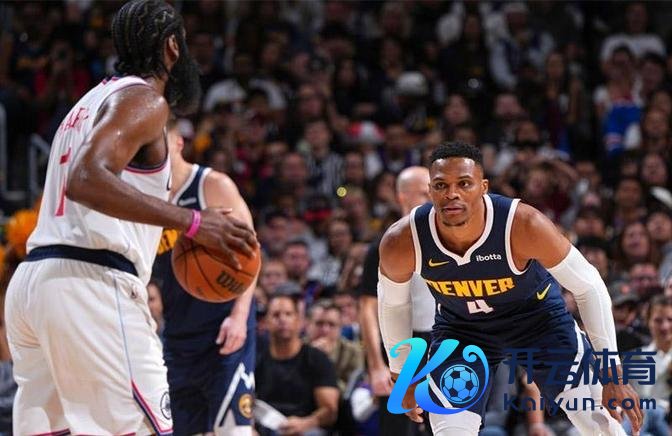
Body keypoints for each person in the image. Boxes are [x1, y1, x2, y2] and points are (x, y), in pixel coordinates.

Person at [4, 1, 257, 434]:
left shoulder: (85, 104)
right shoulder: (144, 99)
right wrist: (193, 221)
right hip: (92, 284)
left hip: (35, 284)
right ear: (172, 47)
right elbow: (85, 179)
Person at [378, 142, 643, 435]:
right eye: (441, 185)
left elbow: (589, 286)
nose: (452, 194)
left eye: (464, 183)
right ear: (430, 190)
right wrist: (401, 374)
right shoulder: (402, 240)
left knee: (601, 425)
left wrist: (612, 372)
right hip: (463, 330)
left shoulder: (523, 224)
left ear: (483, 187)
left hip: (538, 323)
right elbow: (393, 304)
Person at [152, 120, 258, 434]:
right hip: (178, 329)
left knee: (234, 430)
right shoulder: (148, 201)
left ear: (178, 143)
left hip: (222, 324)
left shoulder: (211, 185)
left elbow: (252, 254)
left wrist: (239, 317)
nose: (152, 152)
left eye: (159, 142)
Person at [358, 166, 434, 435]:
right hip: (399, 346)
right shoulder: (385, 244)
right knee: (397, 429)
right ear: (402, 197)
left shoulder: (449, 241)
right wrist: (376, 366)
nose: (432, 198)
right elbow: (367, 307)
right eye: (424, 193)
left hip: (441, 342)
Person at [255, 294, 340, 435]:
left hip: (307, 428)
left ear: (299, 321)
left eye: (288, 314)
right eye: (276, 315)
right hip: (266, 427)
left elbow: (330, 410)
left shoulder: (318, 359)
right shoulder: (257, 359)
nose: (282, 319)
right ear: (266, 322)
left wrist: (306, 423)